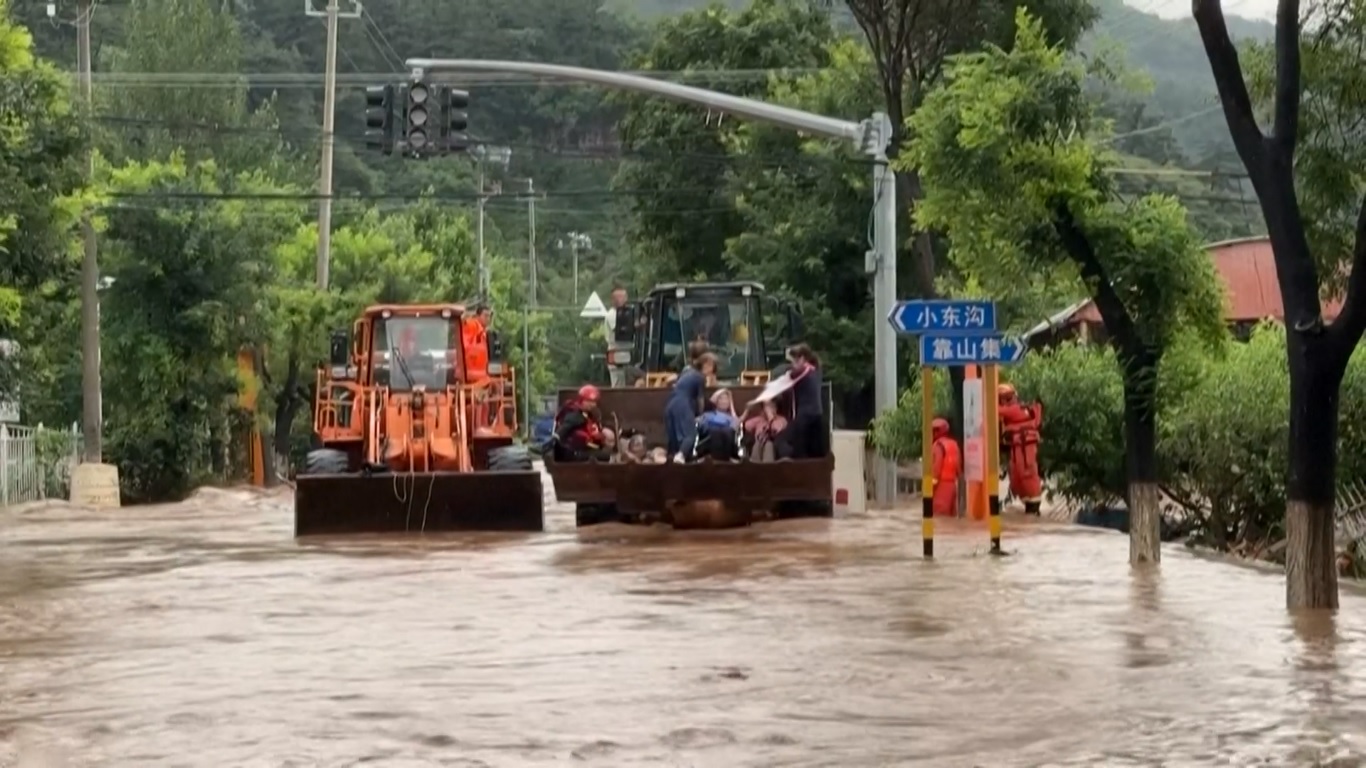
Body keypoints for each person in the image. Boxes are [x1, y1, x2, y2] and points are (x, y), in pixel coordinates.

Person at [998, 383, 1044, 515]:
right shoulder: (1020, 409)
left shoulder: (1013, 410)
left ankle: (1033, 508)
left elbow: (994, 410)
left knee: (1027, 474)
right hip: (1020, 446)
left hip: (1024, 448)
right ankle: (1030, 507)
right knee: (1018, 476)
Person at [664, 352, 717, 460]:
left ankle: (672, 458)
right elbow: (700, 399)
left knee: (674, 437)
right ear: (707, 364)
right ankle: (680, 457)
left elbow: (671, 381)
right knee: (690, 435)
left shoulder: (687, 372)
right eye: (713, 366)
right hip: (683, 404)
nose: (713, 370)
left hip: (671, 404)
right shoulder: (700, 377)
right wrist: (701, 415)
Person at [785, 344, 827, 459]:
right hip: (817, 415)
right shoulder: (816, 370)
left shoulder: (803, 371)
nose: (792, 365)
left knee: (798, 449)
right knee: (815, 452)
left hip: (805, 417)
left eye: (794, 361)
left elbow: (788, 377)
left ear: (802, 359)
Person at [549, 385, 608, 462]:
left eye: (594, 402)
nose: (593, 404)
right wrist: (555, 440)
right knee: (606, 456)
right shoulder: (575, 415)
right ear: (582, 400)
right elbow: (563, 429)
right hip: (574, 452)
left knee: (605, 454)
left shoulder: (588, 415)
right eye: (589, 401)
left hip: (584, 449)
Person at [604, 287, 640, 388]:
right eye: (619, 297)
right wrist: (636, 325)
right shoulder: (612, 315)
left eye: (624, 296)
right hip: (617, 355)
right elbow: (622, 330)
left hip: (627, 356)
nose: (623, 299)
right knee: (618, 386)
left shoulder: (627, 313)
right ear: (613, 299)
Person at [930, 417, 961, 518]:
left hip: (941, 486)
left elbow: (936, 469)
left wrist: (930, 487)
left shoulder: (937, 446)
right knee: (951, 518)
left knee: (939, 518)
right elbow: (958, 468)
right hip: (952, 485)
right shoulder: (954, 444)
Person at [693, 396, 740, 462]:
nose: (723, 402)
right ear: (716, 402)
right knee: (716, 431)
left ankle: (725, 458)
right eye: (721, 399)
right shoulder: (708, 414)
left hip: (727, 443)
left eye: (726, 400)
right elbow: (699, 423)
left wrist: (732, 408)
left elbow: (736, 426)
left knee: (727, 431)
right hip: (709, 439)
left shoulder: (731, 417)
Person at [463, 304, 492, 381]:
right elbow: (465, 345)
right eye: (485, 316)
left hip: (481, 370)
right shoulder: (471, 325)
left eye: (489, 316)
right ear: (477, 316)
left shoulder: (484, 331)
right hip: (472, 370)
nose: (488, 319)